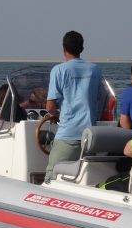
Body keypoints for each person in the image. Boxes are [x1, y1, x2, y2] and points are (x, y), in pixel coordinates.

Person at [44, 31, 104, 182]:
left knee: (52, 177)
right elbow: (101, 99)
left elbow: (50, 106)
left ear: (63, 48)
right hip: (90, 137)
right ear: (82, 49)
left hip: (67, 135)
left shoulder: (59, 70)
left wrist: (56, 115)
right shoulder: (95, 69)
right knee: (84, 179)